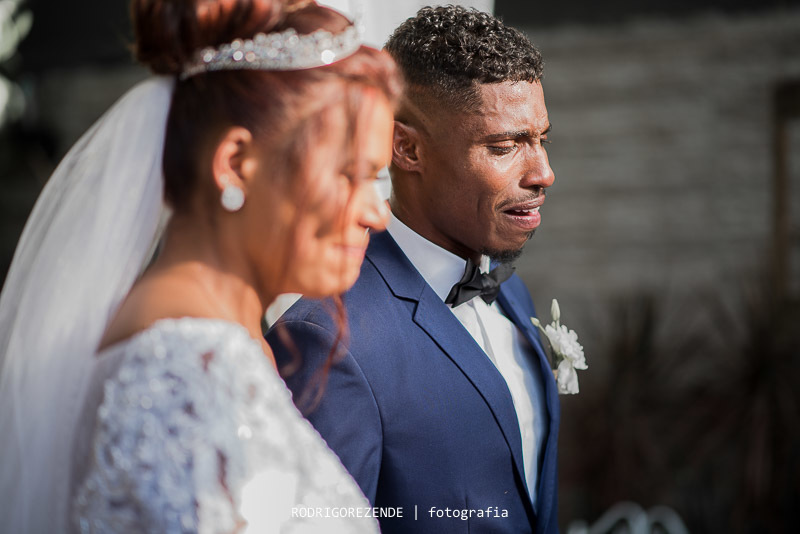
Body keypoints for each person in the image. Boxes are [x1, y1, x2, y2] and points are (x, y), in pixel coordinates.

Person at [0, 0, 402, 532]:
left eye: (378, 178)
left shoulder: (214, 344)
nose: (378, 212)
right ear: (235, 164)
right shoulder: (185, 372)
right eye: (351, 174)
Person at [268, 5, 560, 533]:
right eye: (503, 146)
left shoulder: (514, 299)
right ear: (406, 148)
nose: (543, 172)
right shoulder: (331, 343)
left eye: (540, 138)